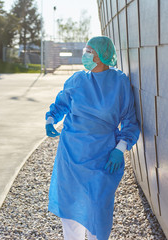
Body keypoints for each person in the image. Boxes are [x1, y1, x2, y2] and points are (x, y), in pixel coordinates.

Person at [45, 36, 140, 240]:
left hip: (103, 155)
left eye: (90, 51)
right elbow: (61, 104)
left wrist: (120, 149)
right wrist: (50, 119)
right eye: (85, 50)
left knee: (99, 206)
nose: (85, 55)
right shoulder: (77, 80)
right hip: (71, 153)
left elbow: (130, 121)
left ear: (102, 55)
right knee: (70, 207)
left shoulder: (119, 82)